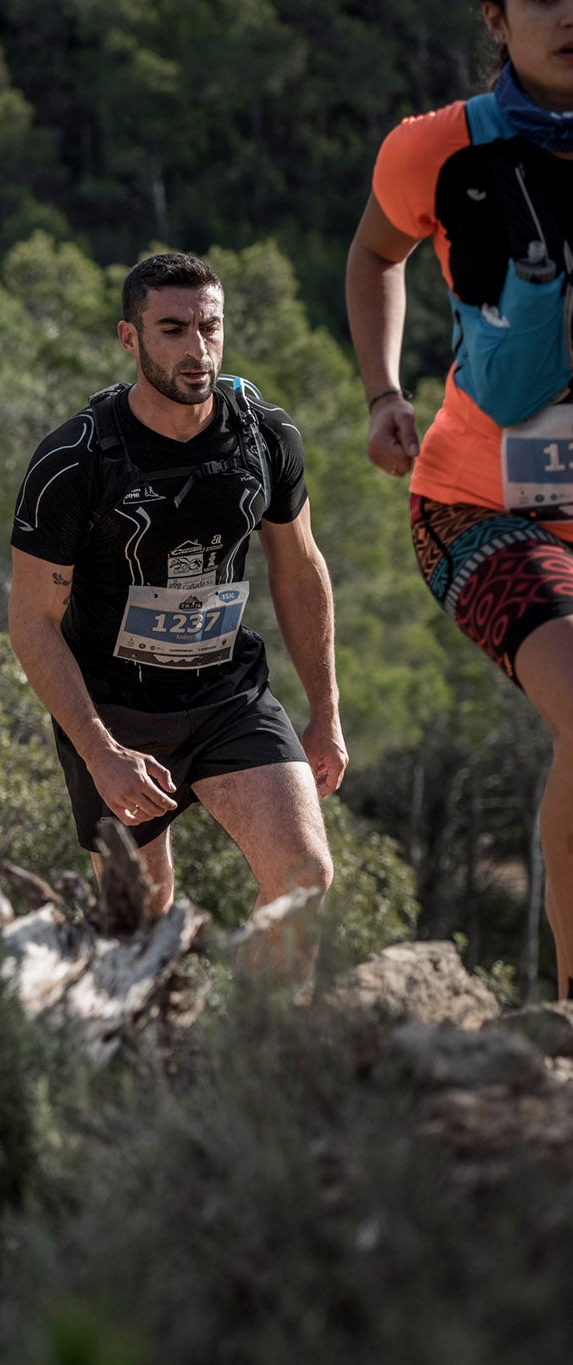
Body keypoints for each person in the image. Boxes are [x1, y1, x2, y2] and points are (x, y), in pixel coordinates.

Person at [9, 252, 343, 971]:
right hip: (116, 708)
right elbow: (31, 621)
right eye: (173, 329)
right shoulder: (76, 460)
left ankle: (248, 1051)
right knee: (137, 930)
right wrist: (99, 752)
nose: (198, 349)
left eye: (210, 327)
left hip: (226, 693)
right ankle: (151, 1064)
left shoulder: (264, 435)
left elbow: (299, 568)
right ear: (130, 338)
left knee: (304, 877)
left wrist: (326, 708)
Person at [347, 5, 573, 999]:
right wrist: (381, 392)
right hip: (479, 512)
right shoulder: (435, 149)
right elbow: (370, 256)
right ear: (494, 16)